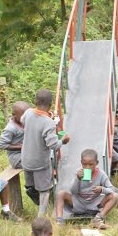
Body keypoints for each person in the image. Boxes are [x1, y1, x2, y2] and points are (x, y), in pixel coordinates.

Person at [19, 89, 69, 217]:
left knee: (30, 185)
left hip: (26, 159)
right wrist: (63, 140)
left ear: (35, 101)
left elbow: (23, 121)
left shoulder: (28, 113)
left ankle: (33, 194)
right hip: (40, 163)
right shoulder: (48, 123)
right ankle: (41, 216)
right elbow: (53, 145)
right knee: (44, 190)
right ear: (50, 104)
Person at [55, 149, 118, 229]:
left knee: (115, 196)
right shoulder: (78, 173)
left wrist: (102, 189)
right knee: (61, 194)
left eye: (91, 164)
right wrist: (78, 179)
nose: (87, 167)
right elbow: (73, 191)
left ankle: (98, 218)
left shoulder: (101, 174)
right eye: (84, 164)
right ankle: (59, 221)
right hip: (78, 203)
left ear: (97, 163)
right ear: (81, 163)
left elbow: (112, 189)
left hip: (95, 203)